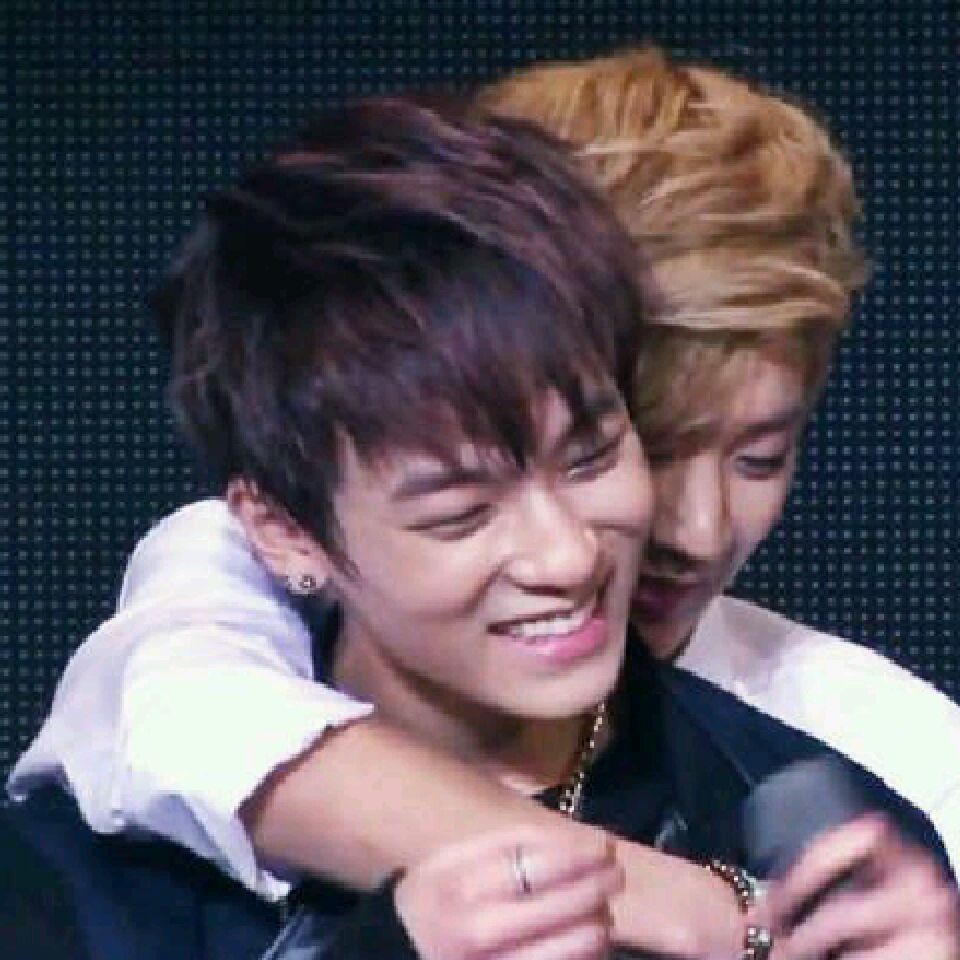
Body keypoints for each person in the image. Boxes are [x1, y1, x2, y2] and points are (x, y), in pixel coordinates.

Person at [9, 50, 960, 958]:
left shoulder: (846, 797)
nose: (570, 555)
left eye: (592, 456)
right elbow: (177, 700)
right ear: (286, 531)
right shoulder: (132, 804)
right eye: (462, 512)